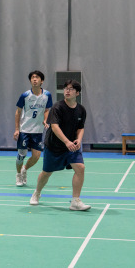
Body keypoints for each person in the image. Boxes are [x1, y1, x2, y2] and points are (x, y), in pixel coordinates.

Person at [30, 79, 90, 211]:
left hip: (72, 146)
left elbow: (80, 127)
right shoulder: (57, 107)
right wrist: (66, 142)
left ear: (77, 93)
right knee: (47, 173)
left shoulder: (81, 110)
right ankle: (37, 192)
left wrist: (79, 139)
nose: (67, 91)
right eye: (66, 88)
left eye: (71, 89)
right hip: (54, 146)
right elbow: (54, 127)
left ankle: (75, 201)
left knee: (80, 168)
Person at [14, 70, 52, 186]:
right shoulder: (25, 95)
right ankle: (18, 175)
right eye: (32, 77)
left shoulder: (47, 95)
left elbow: (47, 110)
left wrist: (45, 120)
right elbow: (18, 112)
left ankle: (24, 169)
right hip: (24, 130)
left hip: (38, 131)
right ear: (30, 81)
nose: (34, 79)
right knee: (21, 155)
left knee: (36, 156)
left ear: (42, 81)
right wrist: (17, 129)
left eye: (37, 77)